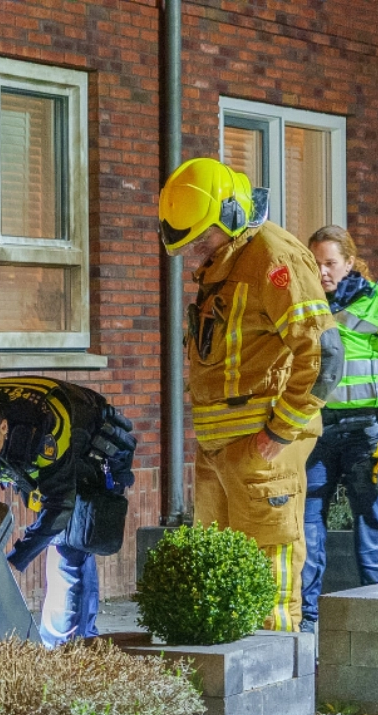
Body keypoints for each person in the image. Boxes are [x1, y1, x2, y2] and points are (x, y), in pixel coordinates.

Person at [158, 158, 343, 632]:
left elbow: (324, 356)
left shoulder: (273, 257)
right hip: (221, 442)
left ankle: (274, 674)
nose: (199, 250)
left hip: (261, 439)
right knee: (219, 566)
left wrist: (278, 433)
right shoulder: (230, 258)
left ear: (233, 215)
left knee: (269, 561)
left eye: (204, 238)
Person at [0, 377, 136, 648]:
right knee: (60, 535)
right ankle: (76, 638)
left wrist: (14, 560)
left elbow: (60, 505)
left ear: (3, 427)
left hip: (89, 444)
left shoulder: (46, 431)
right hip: (31, 456)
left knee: (67, 544)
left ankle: (64, 646)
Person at [300, 226, 378, 633]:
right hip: (315, 433)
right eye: (315, 262)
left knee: (372, 528)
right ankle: (306, 624)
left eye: (330, 263)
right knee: (306, 529)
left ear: (350, 262)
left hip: (368, 435)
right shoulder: (302, 305)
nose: (322, 272)